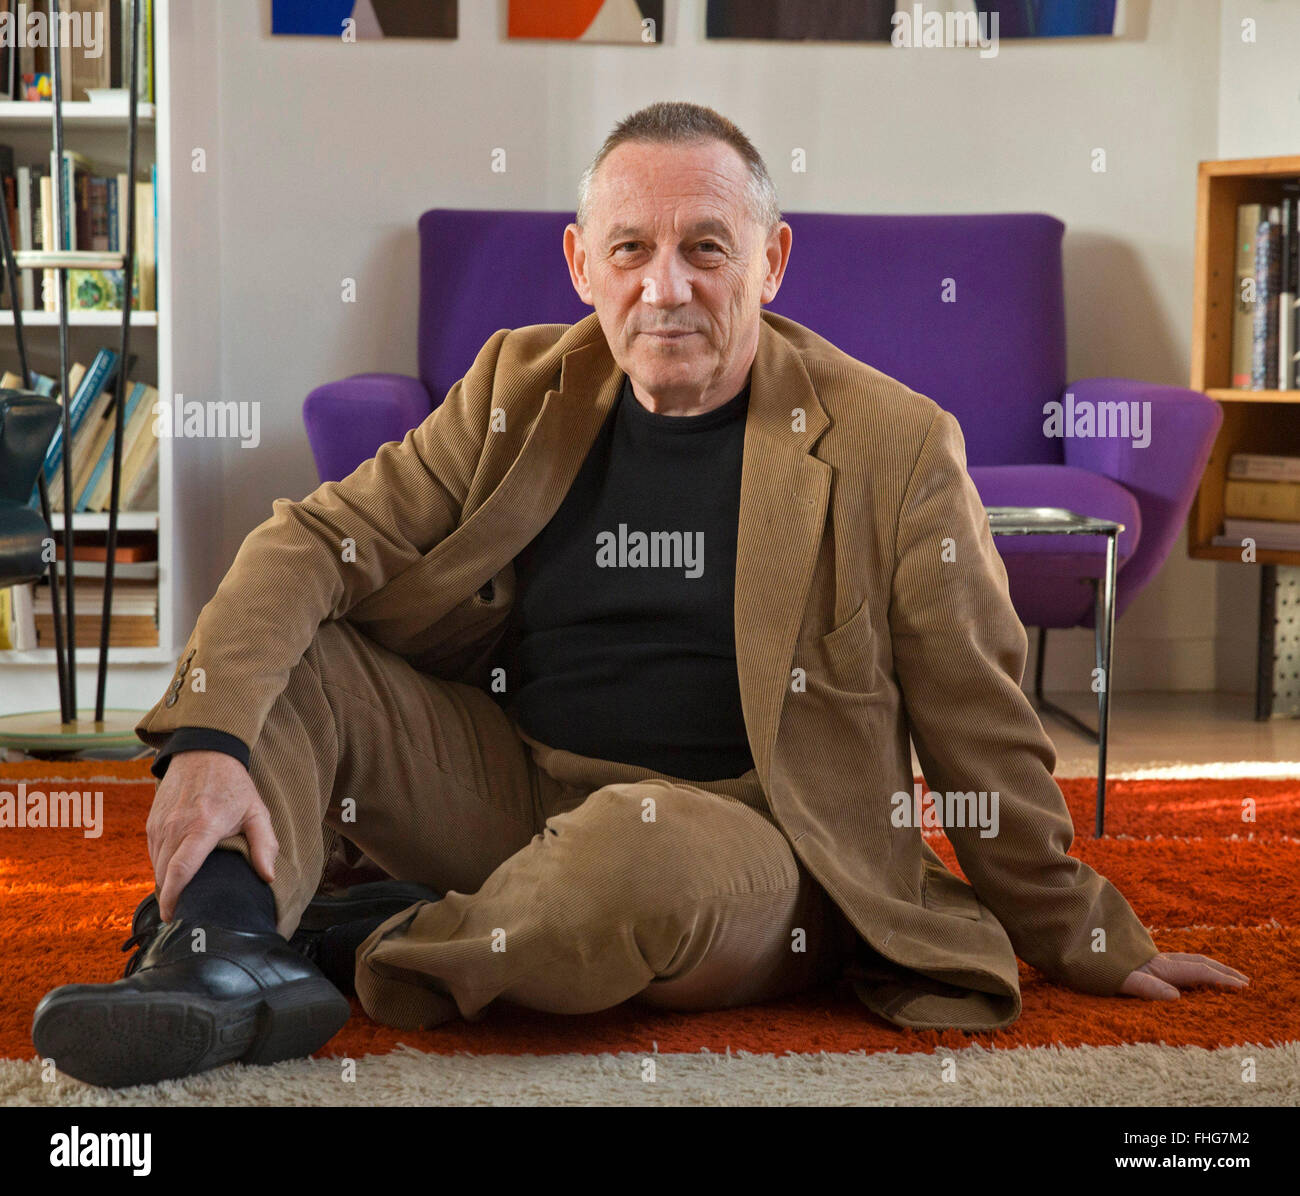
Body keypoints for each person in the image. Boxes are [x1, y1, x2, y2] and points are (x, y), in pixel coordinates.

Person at [32, 101, 1247, 1089]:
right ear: (582, 263)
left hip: (751, 835)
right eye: (631, 249)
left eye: (705, 247)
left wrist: (1080, 928)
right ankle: (219, 949)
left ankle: (343, 942)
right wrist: (207, 737)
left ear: (768, 261)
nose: (665, 288)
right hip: (510, 776)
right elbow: (312, 538)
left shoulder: (895, 444)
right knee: (289, 657)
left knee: (629, 863)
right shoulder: (519, 381)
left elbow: (981, 715)